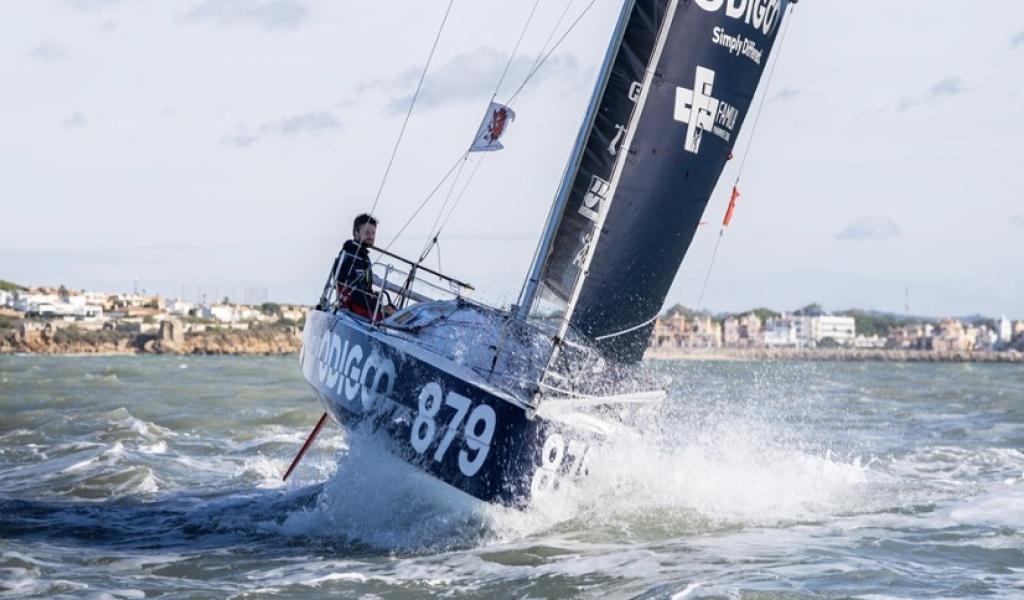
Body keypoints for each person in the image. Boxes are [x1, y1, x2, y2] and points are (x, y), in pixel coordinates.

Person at [332, 213, 393, 319]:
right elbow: (357, 294)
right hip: (355, 310)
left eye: (373, 233)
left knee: (396, 311)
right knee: (395, 317)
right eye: (367, 233)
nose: (371, 237)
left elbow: (364, 288)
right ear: (356, 233)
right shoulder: (353, 256)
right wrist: (379, 307)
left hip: (361, 306)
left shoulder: (360, 254)